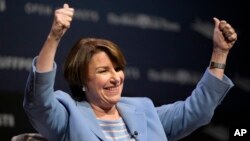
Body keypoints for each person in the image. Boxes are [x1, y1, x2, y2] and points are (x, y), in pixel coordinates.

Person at [23, 3, 237, 141]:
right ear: (82, 81)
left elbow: (196, 112)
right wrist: (54, 37)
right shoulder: (68, 116)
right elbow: (38, 100)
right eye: (103, 70)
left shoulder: (144, 111)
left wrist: (219, 53)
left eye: (117, 68)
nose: (116, 77)